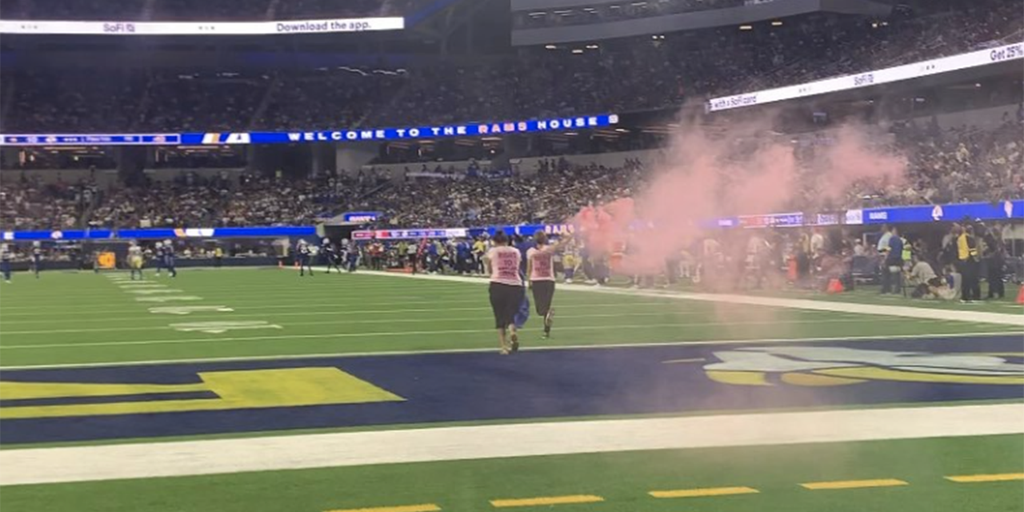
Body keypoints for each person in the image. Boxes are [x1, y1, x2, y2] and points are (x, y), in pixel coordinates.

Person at [483, 231, 524, 355]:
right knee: (510, 314)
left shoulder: (492, 251)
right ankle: (512, 330)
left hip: (498, 284)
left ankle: (504, 347)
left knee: (499, 315)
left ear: (495, 241)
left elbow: (489, 268)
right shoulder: (516, 251)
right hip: (515, 285)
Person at [527, 232, 561, 339]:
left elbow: (529, 268)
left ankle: (546, 330)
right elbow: (560, 245)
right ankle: (546, 331)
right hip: (549, 280)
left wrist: (529, 281)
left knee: (540, 309)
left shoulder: (531, 252)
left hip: (537, 280)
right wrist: (567, 237)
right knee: (546, 306)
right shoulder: (549, 249)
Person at [958, 225, 981, 302]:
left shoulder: (960, 238)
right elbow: (972, 249)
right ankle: (975, 296)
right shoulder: (969, 238)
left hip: (962, 259)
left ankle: (964, 296)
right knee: (973, 279)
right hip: (969, 260)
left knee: (965, 280)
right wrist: (976, 258)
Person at [983, 226, 1005, 299]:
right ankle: (995, 293)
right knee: (995, 278)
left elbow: (996, 251)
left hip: (995, 262)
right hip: (996, 262)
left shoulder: (996, 241)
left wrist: (988, 255)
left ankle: (996, 293)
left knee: (995, 278)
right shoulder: (997, 241)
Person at [881, 226, 903, 294]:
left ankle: (886, 289)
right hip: (898, 258)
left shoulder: (892, 239)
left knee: (886, 273)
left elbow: (889, 249)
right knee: (897, 275)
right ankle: (897, 289)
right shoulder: (900, 240)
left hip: (891, 258)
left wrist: (885, 259)